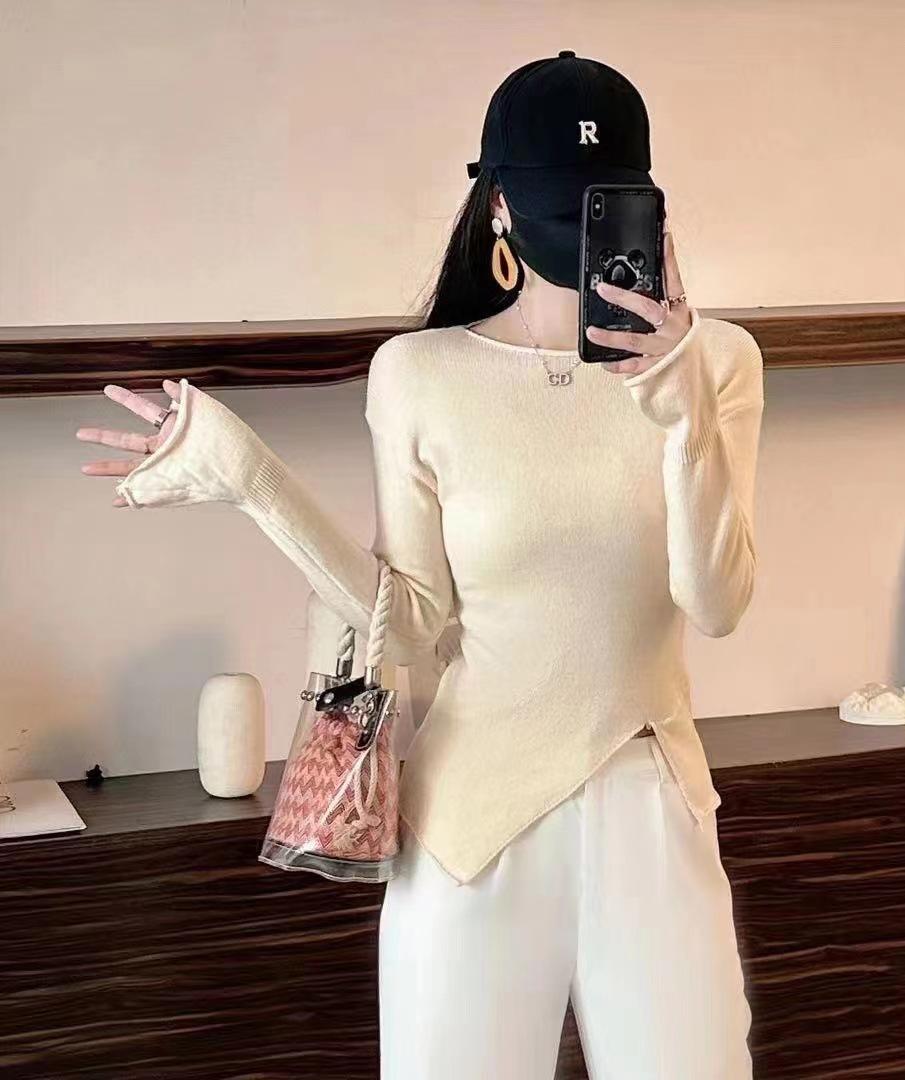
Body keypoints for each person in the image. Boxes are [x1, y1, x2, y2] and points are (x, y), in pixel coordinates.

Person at [75, 50, 764, 1080]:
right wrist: (252, 479)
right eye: (552, 205)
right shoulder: (419, 375)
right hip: (471, 826)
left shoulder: (719, 362)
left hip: (653, 805)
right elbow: (412, 621)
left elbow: (716, 603)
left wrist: (681, 415)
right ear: (498, 208)